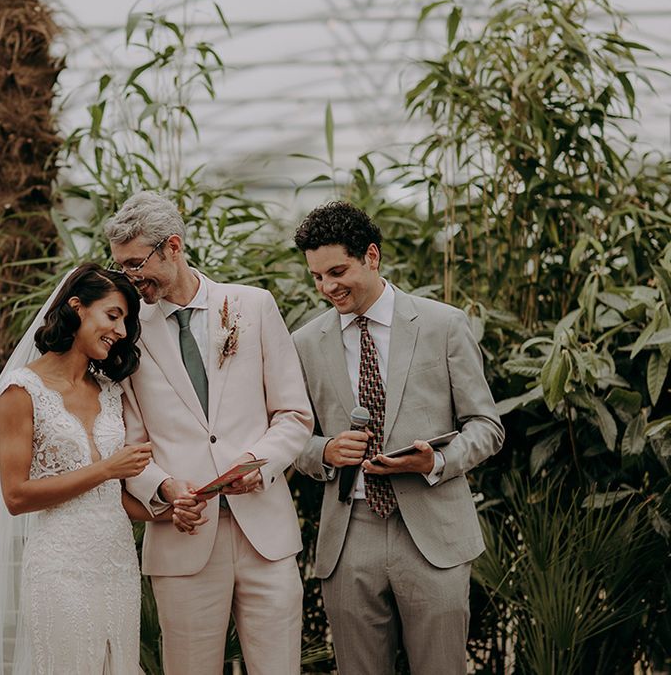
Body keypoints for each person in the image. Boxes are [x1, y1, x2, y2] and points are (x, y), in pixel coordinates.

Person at [105, 191, 313, 675]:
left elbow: (294, 414)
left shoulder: (253, 306)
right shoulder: (128, 331)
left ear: (173, 247)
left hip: (267, 536)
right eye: (122, 267)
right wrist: (163, 487)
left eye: (137, 264)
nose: (130, 278)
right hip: (183, 536)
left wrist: (257, 467)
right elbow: (129, 441)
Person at [292, 201, 504, 674]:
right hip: (349, 534)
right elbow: (291, 438)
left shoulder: (444, 324)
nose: (327, 287)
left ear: (371, 256)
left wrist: (434, 463)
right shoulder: (304, 342)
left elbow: (487, 427)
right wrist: (323, 450)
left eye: (337, 271)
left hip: (434, 533)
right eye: (317, 277)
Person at [0, 263, 155, 674]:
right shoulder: (22, 391)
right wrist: (107, 468)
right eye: (112, 315)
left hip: (119, 566)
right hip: (61, 568)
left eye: (126, 320)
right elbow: (16, 496)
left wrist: (164, 510)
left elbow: (113, 500)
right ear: (77, 307)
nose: (121, 331)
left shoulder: (109, 392)